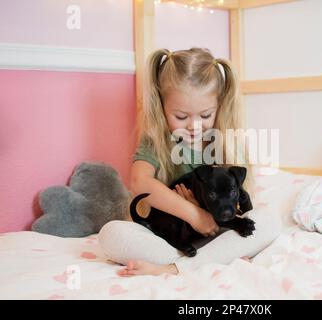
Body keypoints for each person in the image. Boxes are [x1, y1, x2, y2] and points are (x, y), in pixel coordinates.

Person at [98, 48, 281, 276]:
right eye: (182, 117)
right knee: (111, 234)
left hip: (217, 233)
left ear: (219, 106)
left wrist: (209, 214)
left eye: (205, 115)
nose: (194, 125)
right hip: (172, 238)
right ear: (162, 107)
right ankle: (208, 260)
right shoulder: (158, 140)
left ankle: (174, 268)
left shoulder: (226, 141)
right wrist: (194, 214)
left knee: (270, 221)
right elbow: (139, 182)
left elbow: (237, 206)